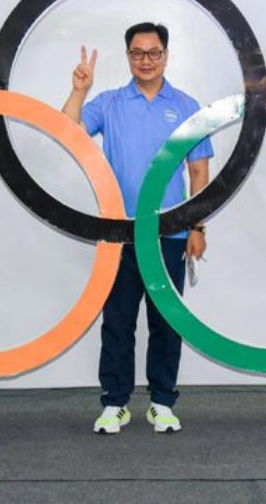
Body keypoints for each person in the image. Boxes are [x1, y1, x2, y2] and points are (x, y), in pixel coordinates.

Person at [62, 22, 212, 434]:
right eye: (137, 53)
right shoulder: (110, 102)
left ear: (166, 55)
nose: (146, 60)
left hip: (170, 233)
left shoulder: (186, 105)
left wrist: (198, 227)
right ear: (128, 56)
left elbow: (199, 172)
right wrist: (79, 91)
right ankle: (115, 403)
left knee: (167, 322)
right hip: (119, 233)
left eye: (153, 52)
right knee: (118, 321)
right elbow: (69, 133)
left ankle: (162, 402)